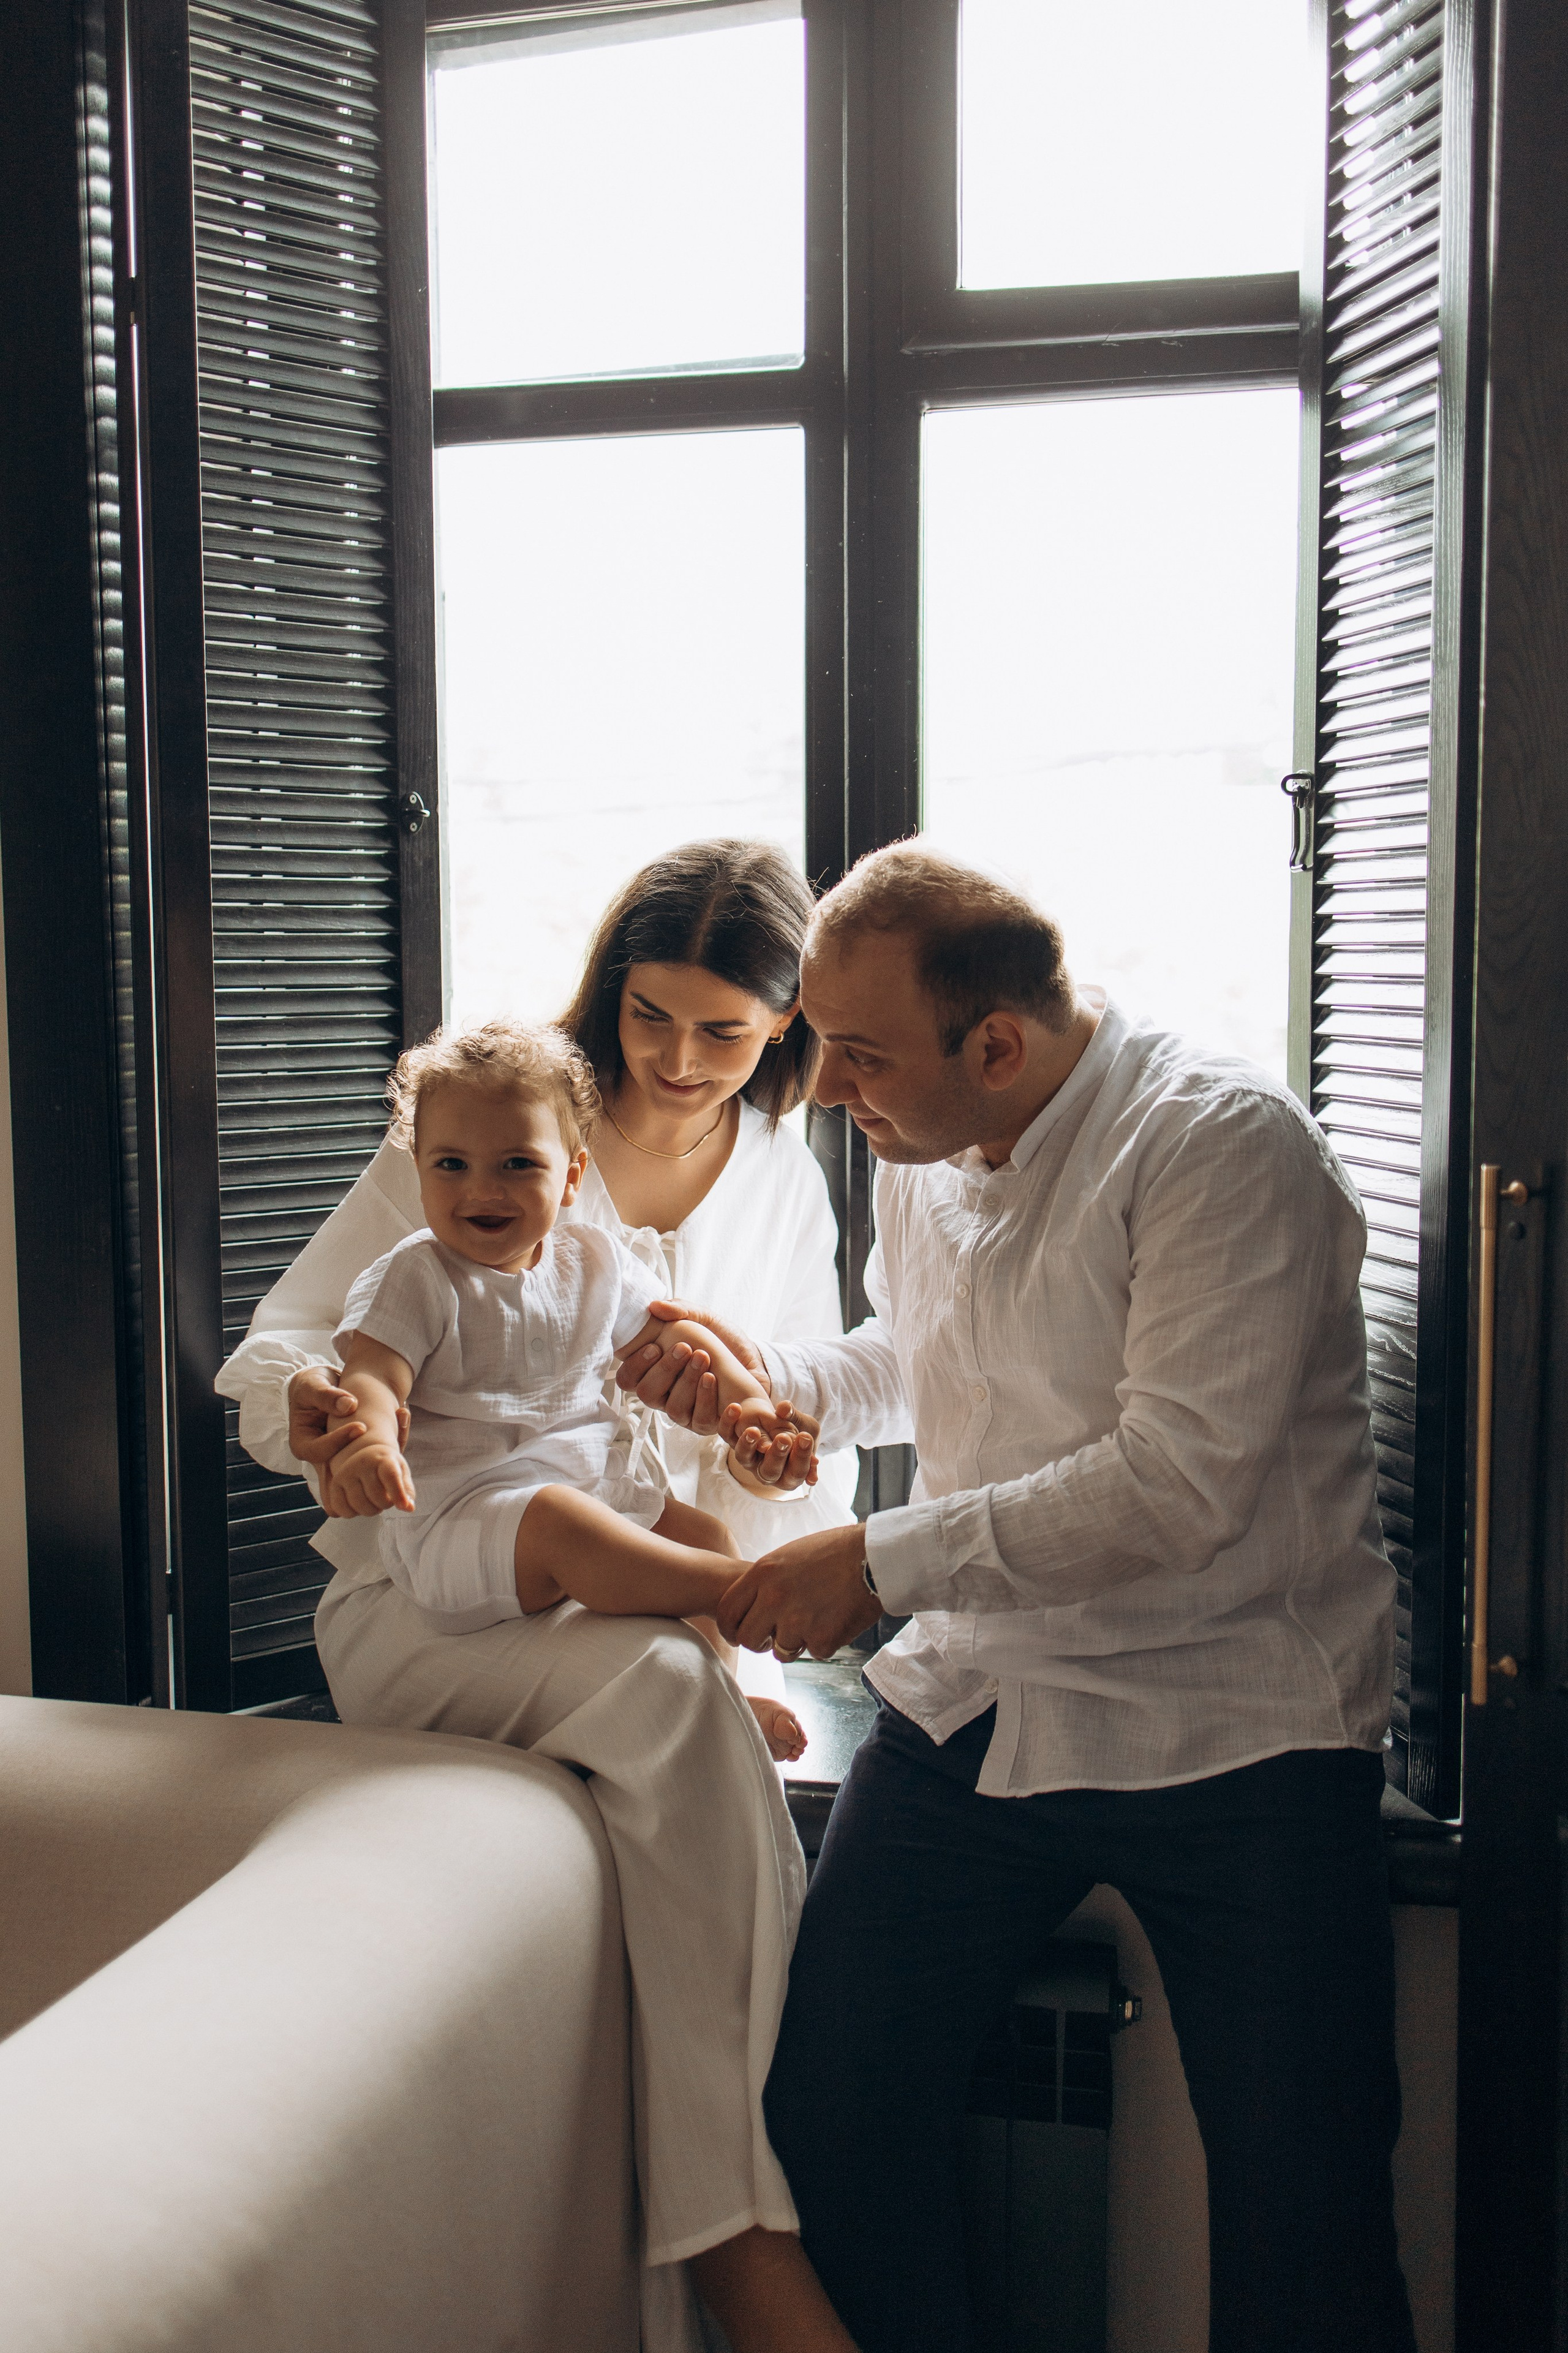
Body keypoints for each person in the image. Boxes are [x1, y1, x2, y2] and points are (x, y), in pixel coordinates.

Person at [620, 841, 1417, 2353]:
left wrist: (870, 1561)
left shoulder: (1220, 1147)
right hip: (982, 1702)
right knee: (827, 2120)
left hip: (1240, 1725)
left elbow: (1173, 1480)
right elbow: (913, 1351)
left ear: (994, 1041)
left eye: (856, 1057)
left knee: (1300, 2203)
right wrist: (764, 1383)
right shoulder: (925, 1131)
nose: (825, 1090)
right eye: (819, 1049)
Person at [216, 840, 860, 2353]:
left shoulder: (774, 1173)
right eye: (651, 1015)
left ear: (785, 1026)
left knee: (674, 1673)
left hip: (631, 1581)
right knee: (663, 1683)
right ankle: (736, 2233)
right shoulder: (487, 1136)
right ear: (608, 991)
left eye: (725, 1028)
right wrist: (333, 1418)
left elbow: (794, 1422)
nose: (681, 1059)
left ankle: (717, 2210)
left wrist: (741, 1397)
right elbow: (282, 1354)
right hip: (433, 1582)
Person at [331, 1016, 811, 1764]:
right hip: (464, 1524)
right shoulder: (417, 1277)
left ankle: (724, 1696)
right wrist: (367, 1441)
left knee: (703, 1531)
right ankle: (748, 1589)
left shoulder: (594, 1259)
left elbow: (674, 1336)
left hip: (589, 1495)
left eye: (518, 1163)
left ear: (573, 1177)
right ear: (418, 1167)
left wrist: (749, 1403)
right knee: (563, 1520)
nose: (481, 1189)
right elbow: (370, 1374)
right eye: (450, 1165)